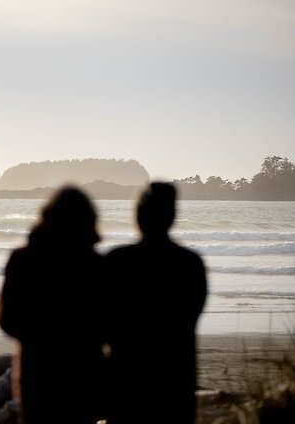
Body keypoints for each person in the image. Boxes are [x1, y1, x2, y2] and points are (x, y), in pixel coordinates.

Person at [0, 185, 107, 423]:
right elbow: (112, 324)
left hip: (37, 372)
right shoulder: (97, 265)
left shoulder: (22, 259)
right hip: (84, 373)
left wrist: (37, 334)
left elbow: (7, 321)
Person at [105, 182, 207, 424]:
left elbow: (100, 321)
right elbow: (190, 316)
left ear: (138, 216)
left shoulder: (117, 261)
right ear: (172, 216)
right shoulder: (190, 264)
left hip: (127, 379)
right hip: (176, 379)